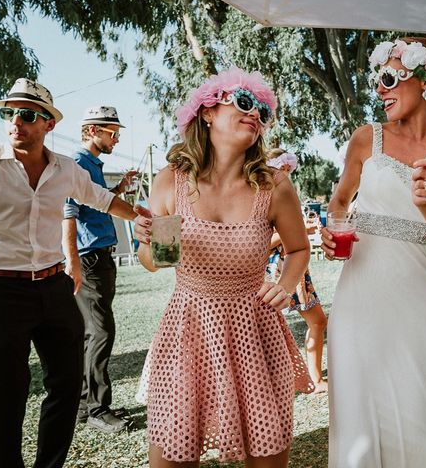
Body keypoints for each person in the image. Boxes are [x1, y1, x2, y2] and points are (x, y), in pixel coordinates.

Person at [132, 66, 314, 468]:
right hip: (188, 332)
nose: (255, 114)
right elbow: (156, 263)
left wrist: (285, 285)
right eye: (244, 103)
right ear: (208, 113)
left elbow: (299, 249)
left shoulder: (275, 185)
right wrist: (148, 243)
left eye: (263, 112)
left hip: (255, 331)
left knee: (266, 449)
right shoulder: (170, 180)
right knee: (173, 453)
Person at [321, 38, 426, 467]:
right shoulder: (365, 139)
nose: (380, 89)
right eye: (378, 80)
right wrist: (333, 229)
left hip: (424, 300)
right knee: (365, 422)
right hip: (360, 300)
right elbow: (339, 202)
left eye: (390, 78)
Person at [0, 79, 136, 468]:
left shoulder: (66, 169)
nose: (15, 122)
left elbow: (103, 200)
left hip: (55, 287)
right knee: (7, 393)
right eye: (9, 113)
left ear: (48, 124)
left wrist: (145, 218)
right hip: (1, 291)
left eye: (27, 114)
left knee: (68, 385)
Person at [61, 106, 137, 434]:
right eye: (112, 132)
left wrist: (120, 190)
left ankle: (83, 405)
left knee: (91, 332)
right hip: (90, 259)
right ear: (92, 131)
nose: (116, 139)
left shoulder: (92, 163)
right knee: (101, 331)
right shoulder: (79, 162)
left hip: (97, 258)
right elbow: (68, 211)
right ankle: (97, 410)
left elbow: (98, 203)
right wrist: (73, 261)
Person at [266, 149, 329, 393]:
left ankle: (315, 379)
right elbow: (264, 241)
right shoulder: (261, 195)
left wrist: (306, 230)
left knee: (318, 320)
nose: (286, 174)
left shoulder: (286, 194)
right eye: (282, 169)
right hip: (271, 268)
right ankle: (272, 386)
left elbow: (296, 241)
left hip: (296, 268)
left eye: (288, 170)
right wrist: (295, 230)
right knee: (266, 330)